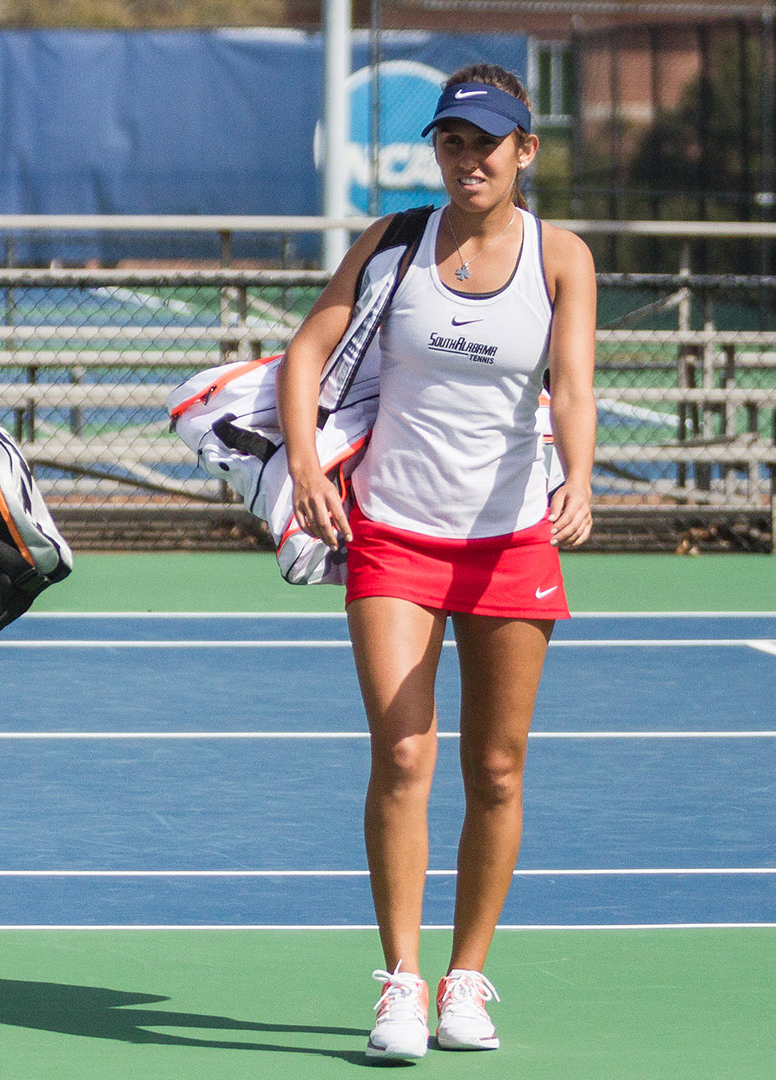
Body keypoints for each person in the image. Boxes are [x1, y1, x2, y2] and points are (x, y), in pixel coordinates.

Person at [277, 64, 595, 1061]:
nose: (469, 160)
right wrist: (303, 464)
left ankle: (467, 979)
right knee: (403, 755)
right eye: (453, 143)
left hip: (508, 541)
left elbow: (575, 386)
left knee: (496, 769)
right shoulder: (393, 243)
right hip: (394, 534)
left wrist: (579, 475)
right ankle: (402, 984)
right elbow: (305, 350)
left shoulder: (562, 256)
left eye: (487, 144)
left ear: (525, 153)